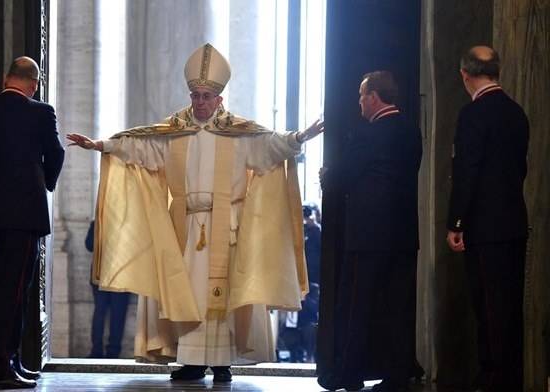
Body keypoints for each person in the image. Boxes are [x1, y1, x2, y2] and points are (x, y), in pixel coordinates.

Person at [66, 43, 323, 383]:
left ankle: (221, 362)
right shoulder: (174, 132)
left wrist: (300, 136)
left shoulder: (240, 133)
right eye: (195, 95)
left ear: (219, 99)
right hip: (184, 226)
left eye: (206, 96)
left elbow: (271, 147)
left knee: (221, 298)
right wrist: (102, 145)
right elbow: (141, 147)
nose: (200, 102)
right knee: (185, 294)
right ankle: (189, 360)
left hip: (227, 227)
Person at [316, 71, 422, 392]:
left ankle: (348, 374)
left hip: (367, 236)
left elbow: (342, 178)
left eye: (362, 95)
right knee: (397, 307)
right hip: (403, 234)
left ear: (375, 96)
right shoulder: (411, 130)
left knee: (356, 306)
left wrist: (326, 175)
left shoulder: (367, 133)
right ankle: (397, 375)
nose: (359, 102)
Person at [0, 56, 65, 389]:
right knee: (13, 291)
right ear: (34, 84)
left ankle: (7, 361)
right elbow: (56, 154)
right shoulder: (40, 112)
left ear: (5, 78)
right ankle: (1, 366)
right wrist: (44, 183)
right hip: (23, 215)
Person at [446, 45, 529, 392]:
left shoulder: (473, 114)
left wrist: (456, 222)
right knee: (510, 307)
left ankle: (493, 381)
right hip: (514, 222)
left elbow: (467, 171)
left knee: (488, 308)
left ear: (466, 75)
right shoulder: (516, 112)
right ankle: (510, 378)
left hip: (485, 226)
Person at [84, 221, 130, 359]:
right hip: (103, 275)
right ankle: (99, 350)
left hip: (118, 275)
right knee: (103, 312)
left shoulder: (126, 223)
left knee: (115, 314)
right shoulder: (98, 223)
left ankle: (111, 352)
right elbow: (89, 245)